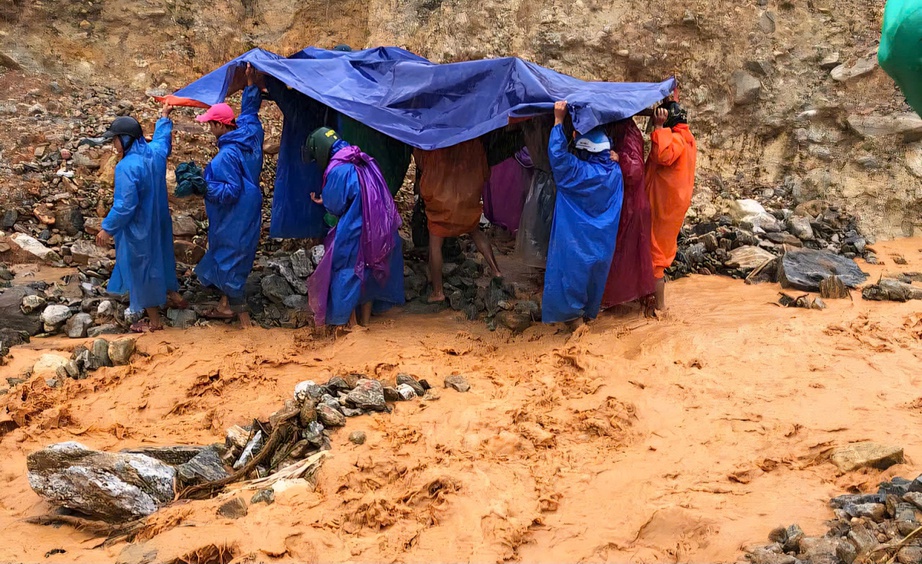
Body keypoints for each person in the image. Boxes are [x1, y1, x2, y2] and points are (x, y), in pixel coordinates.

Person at [96, 104, 188, 332]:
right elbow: (162, 140)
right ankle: (172, 293)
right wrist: (164, 117)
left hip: (139, 227)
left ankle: (154, 321)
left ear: (126, 139)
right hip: (159, 221)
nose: (113, 144)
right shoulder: (153, 154)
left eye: (115, 139)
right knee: (162, 256)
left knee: (141, 267)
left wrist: (108, 228)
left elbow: (125, 206)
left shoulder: (127, 167)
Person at [305, 127, 404, 327]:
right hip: (378, 229)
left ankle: (348, 324)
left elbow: (335, 206)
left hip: (355, 228)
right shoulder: (360, 158)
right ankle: (365, 323)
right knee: (369, 271)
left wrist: (325, 200)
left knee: (345, 272)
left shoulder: (338, 169)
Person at [194, 64, 265, 328]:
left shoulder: (225, 156)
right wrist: (250, 84)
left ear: (218, 125)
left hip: (236, 213)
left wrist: (204, 187)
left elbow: (230, 190)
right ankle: (225, 305)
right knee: (237, 255)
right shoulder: (250, 132)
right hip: (251, 207)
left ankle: (245, 323)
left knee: (228, 257)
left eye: (210, 125)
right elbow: (250, 112)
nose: (209, 129)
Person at [543, 101, 624, 327]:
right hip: (601, 240)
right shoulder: (614, 172)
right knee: (593, 276)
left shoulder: (575, 172)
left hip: (575, 237)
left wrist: (558, 121)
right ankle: (588, 316)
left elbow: (558, 156)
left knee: (571, 274)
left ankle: (574, 321)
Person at [414, 140, 502, 303]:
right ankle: (496, 270)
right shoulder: (473, 138)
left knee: (435, 243)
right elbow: (485, 171)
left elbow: (421, 163)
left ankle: (438, 291)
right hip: (466, 197)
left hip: (440, 199)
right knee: (475, 230)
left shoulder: (432, 138)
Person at [645, 99, 697, 311]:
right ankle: (650, 301)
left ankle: (660, 307)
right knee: (659, 250)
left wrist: (658, 127)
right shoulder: (688, 138)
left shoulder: (676, 139)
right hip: (673, 203)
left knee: (656, 254)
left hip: (664, 204)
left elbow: (663, 155)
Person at [601, 119, 656, 313]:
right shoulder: (624, 132)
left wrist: (619, 157)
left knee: (630, 252)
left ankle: (628, 299)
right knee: (631, 252)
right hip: (628, 202)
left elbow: (635, 170)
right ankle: (634, 300)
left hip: (632, 204)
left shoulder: (629, 134)